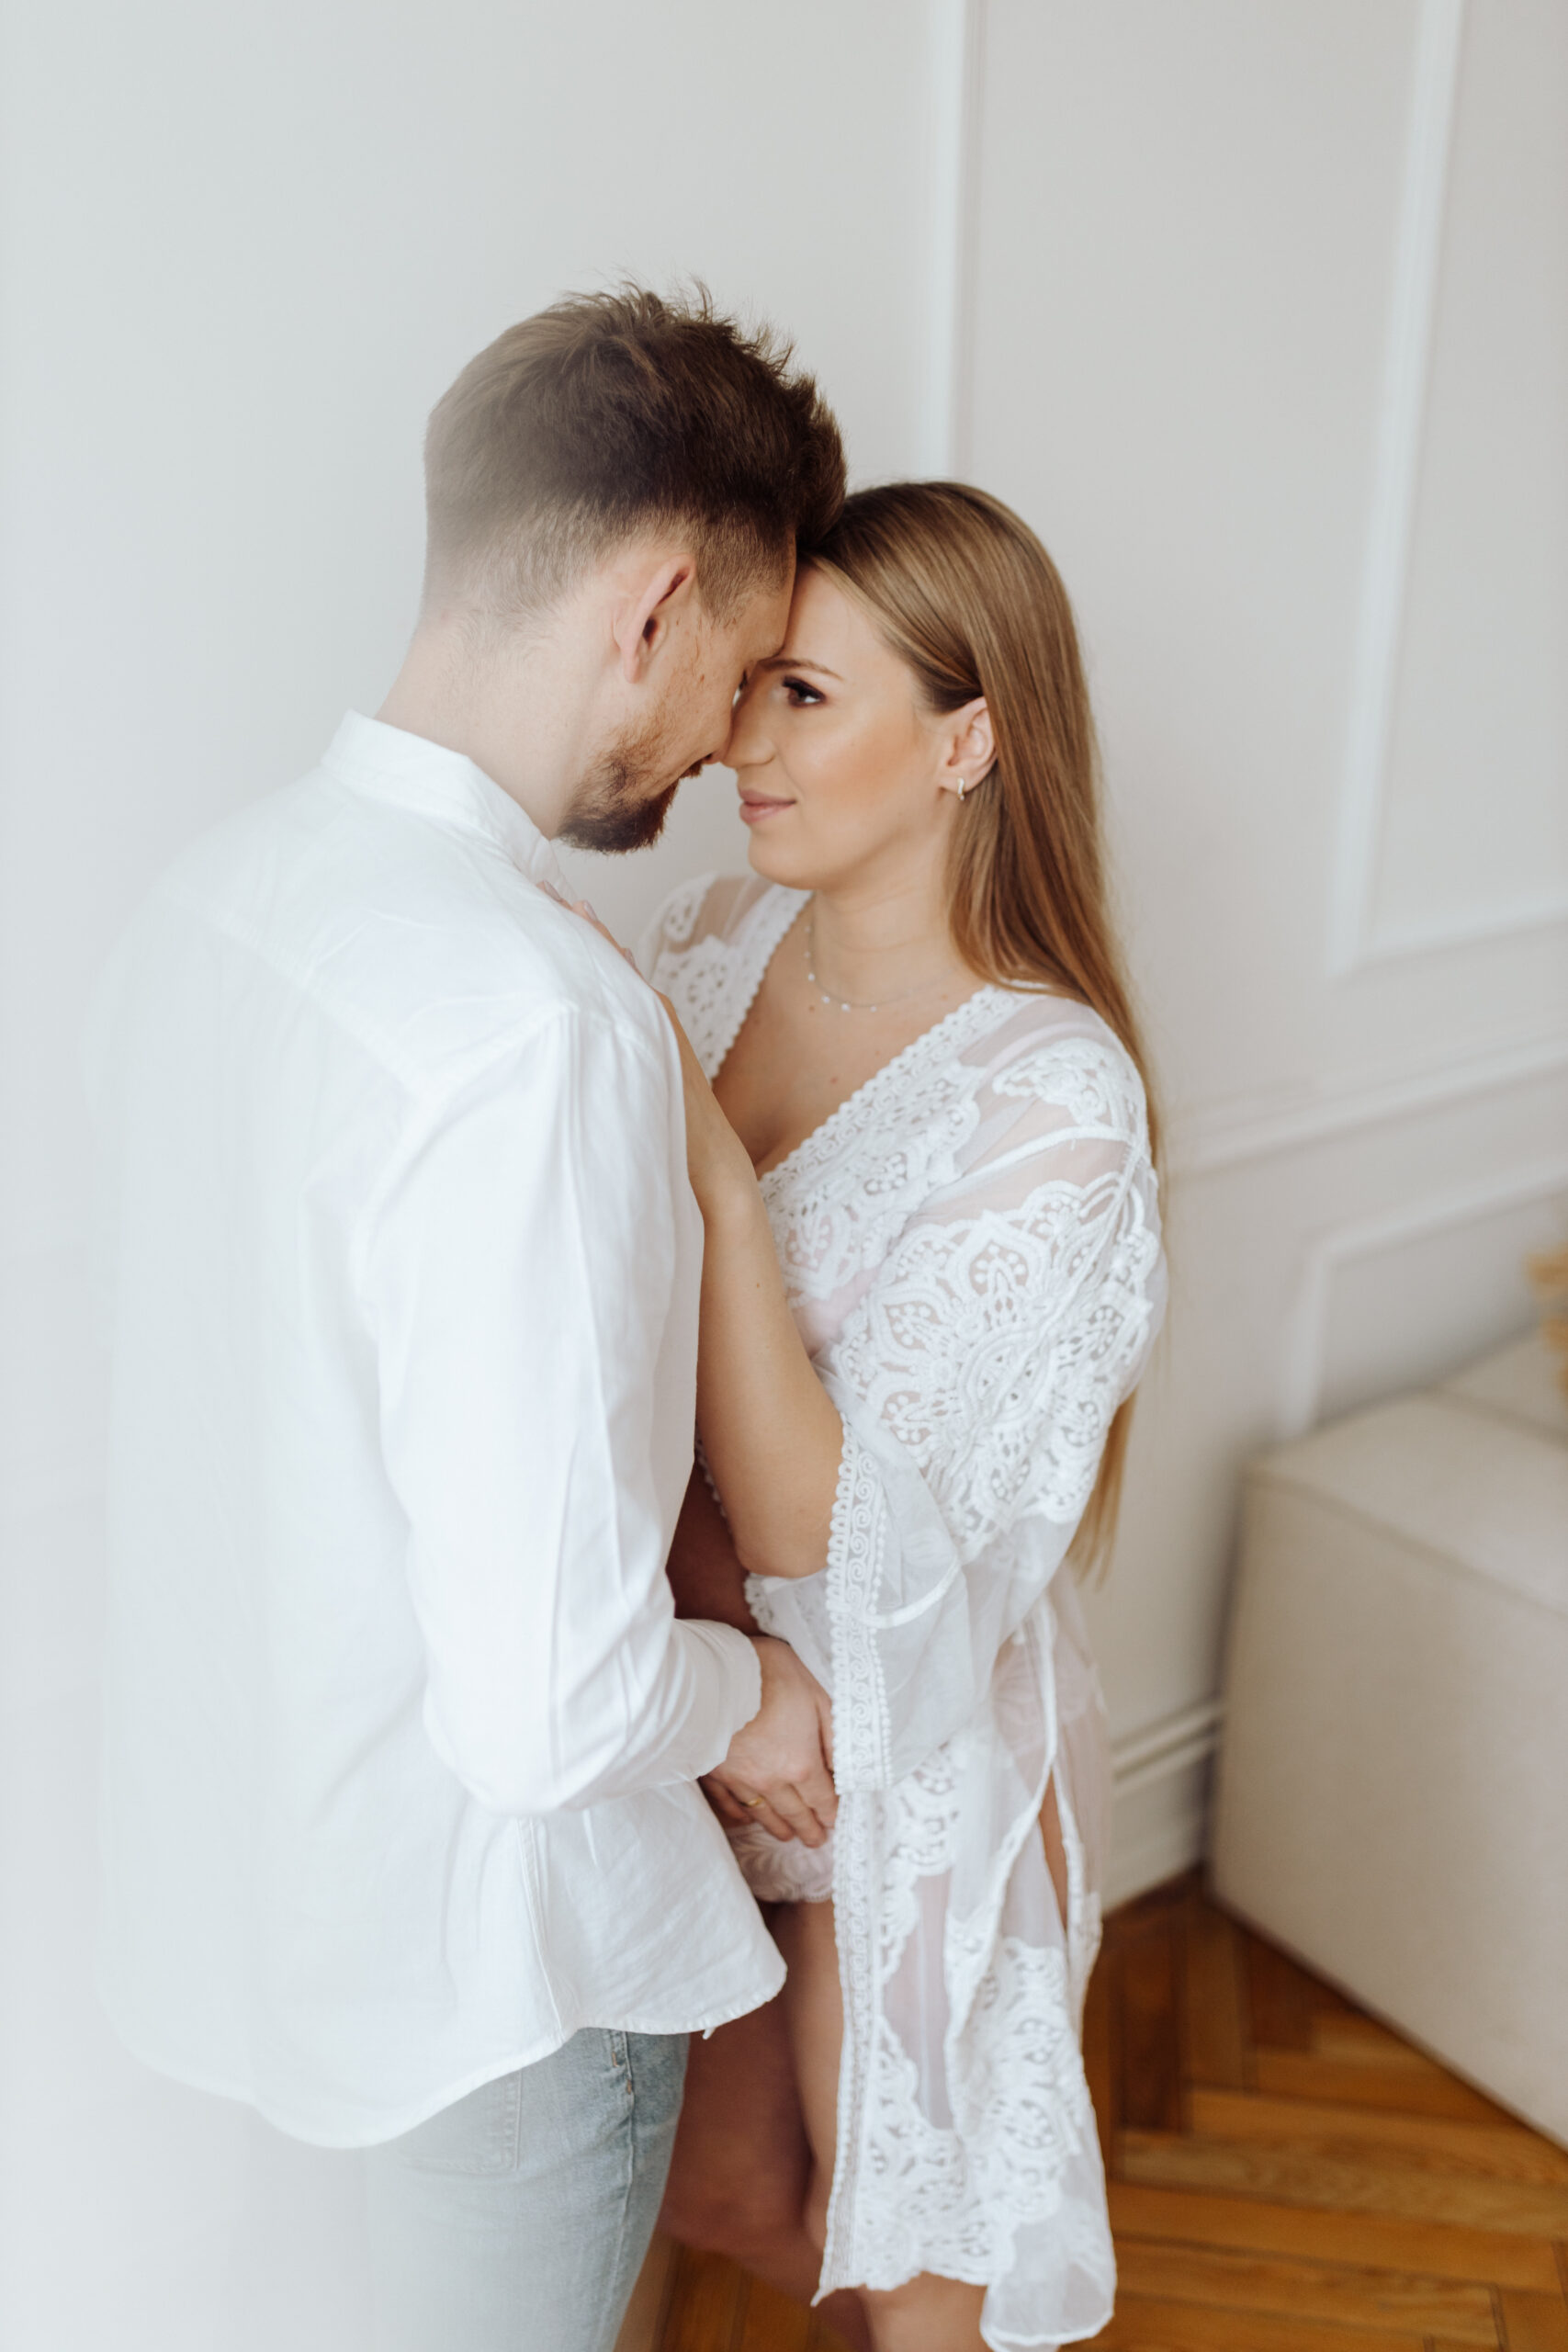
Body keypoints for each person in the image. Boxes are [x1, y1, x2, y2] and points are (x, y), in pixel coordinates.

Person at [84, 287, 847, 2352]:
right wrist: (753, 1702)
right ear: (657, 604)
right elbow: (554, 1705)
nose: (726, 745)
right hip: (472, 1982)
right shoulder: (535, 1024)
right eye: (740, 676)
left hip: (228, 1901)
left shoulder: (198, 898)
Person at [638, 481, 1167, 2352]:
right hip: (693, 1696)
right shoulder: (704, 945)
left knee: (899, 2267)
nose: (739, 744)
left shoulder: (1051, 1101)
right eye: (749, 689)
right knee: (716, 2196)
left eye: (803, 695)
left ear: (966, 738)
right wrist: (695, 1683)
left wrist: (713, 1184)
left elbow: (836, 1541)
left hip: (902, 1750)